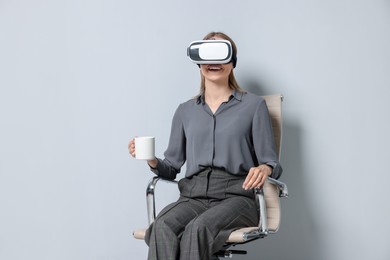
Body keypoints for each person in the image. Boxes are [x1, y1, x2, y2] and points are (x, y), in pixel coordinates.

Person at [128, 32, 282, 260]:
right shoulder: (185, 111)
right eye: (207, 55)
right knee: (161, 227)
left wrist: (265, 169)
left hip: (237, 196)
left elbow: (272, 163)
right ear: (199, 62)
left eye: (221, 54)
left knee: (197, 229)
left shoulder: (253, 106)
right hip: (193, 196)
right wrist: (151, 159)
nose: (214, 63)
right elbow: (171, 168)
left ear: (232, 62)